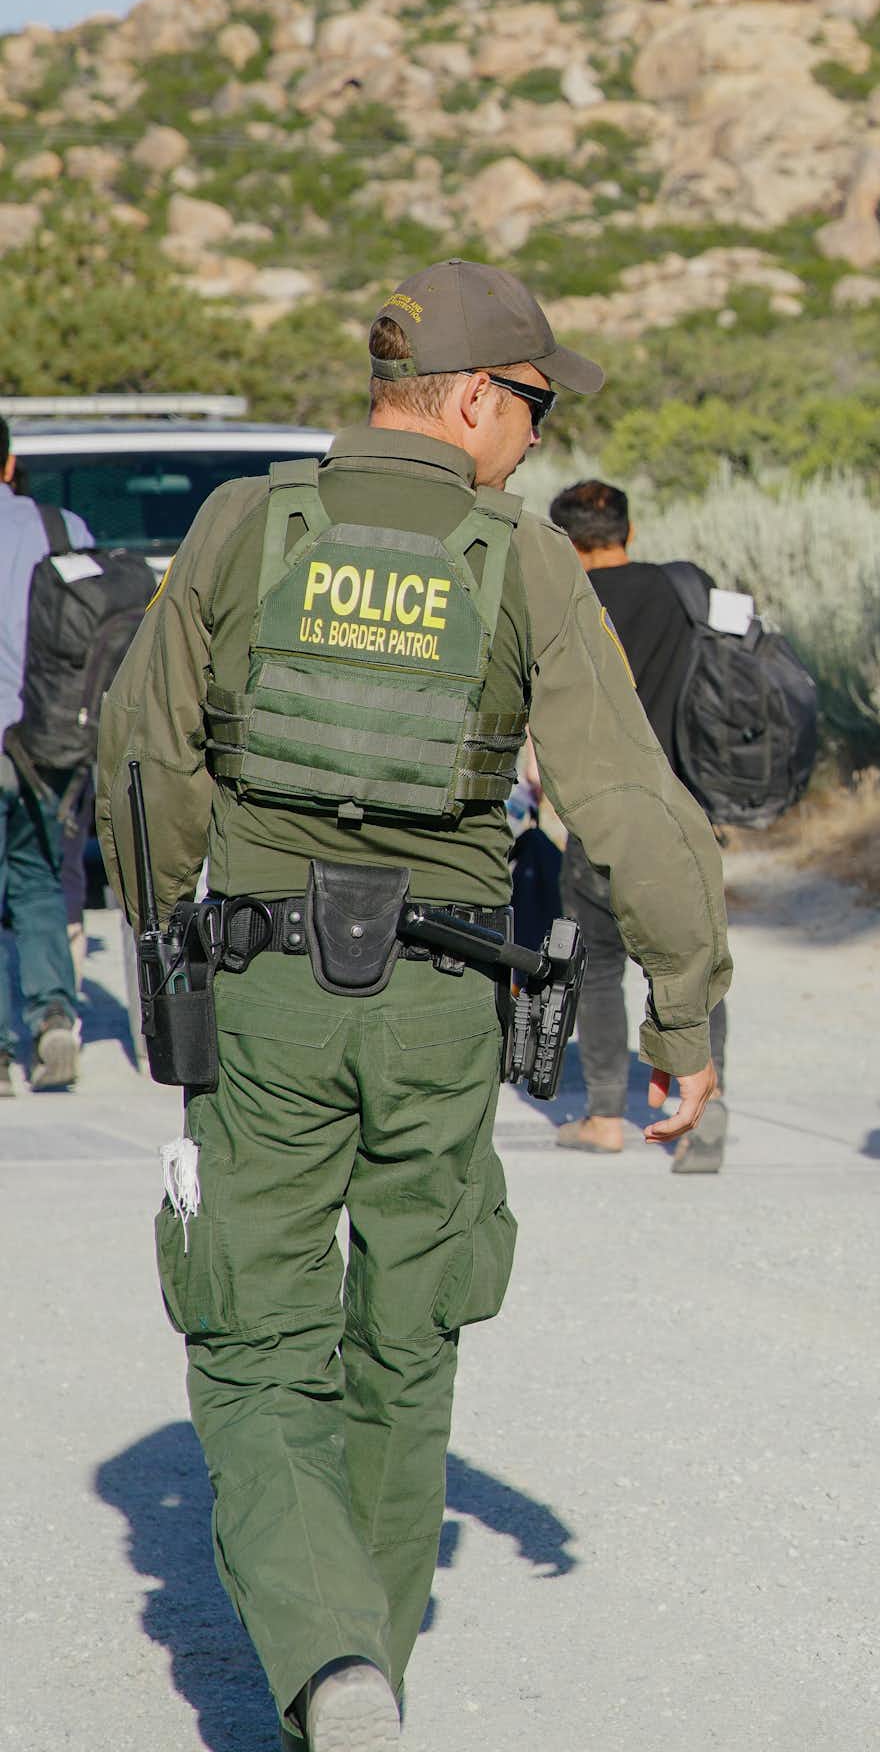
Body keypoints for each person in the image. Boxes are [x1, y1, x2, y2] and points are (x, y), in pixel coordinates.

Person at [97, 258, 732, 1751]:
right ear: (461, 398)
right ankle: (364, 1675)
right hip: (446, 1006)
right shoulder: (521, 562)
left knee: (255, 1345)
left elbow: (144, 762)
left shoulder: (245, 530)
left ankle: (327, 1671)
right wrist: (686, 1025)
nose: (536, 437)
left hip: (261, 994)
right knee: (409, 1336)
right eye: (530, 404)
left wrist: (161, 940)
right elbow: (630, 808)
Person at [546, 477, 731, 1173]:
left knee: (595, 970)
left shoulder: (565, 600)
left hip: (600, 815)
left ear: (565, 541)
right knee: (692, 966)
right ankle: (701, 1123)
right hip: (685, 813)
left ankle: (603, 1116)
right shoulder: (684, 593)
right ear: (630, 531)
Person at [0, 414, 91, 1094]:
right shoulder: (65, 530)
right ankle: (52, 1016)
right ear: (9, 465)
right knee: (37, 880)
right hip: (47, 742)